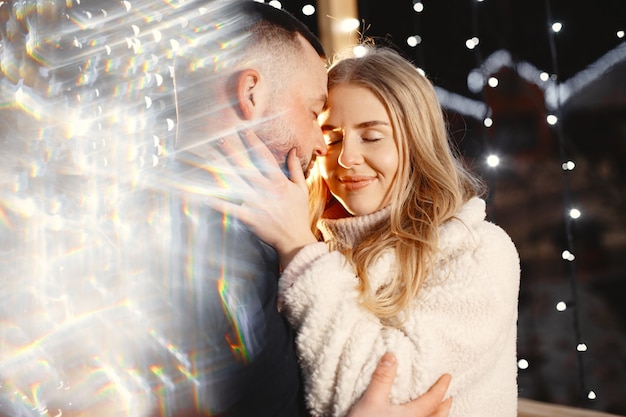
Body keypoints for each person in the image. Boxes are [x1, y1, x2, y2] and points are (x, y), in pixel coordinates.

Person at [164, 2, 452, 416]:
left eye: (372, 137)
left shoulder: (269, 236)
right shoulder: (223, 241)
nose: (327, 151)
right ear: (251, 94)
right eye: (318, 118)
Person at [215, 46, 520, 417]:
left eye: (372, 136)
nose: (346, 158)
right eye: (332, 138)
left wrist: (299, 250)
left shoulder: (477, 250)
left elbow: (389, 392)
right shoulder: (308, 249)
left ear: (415, 141)